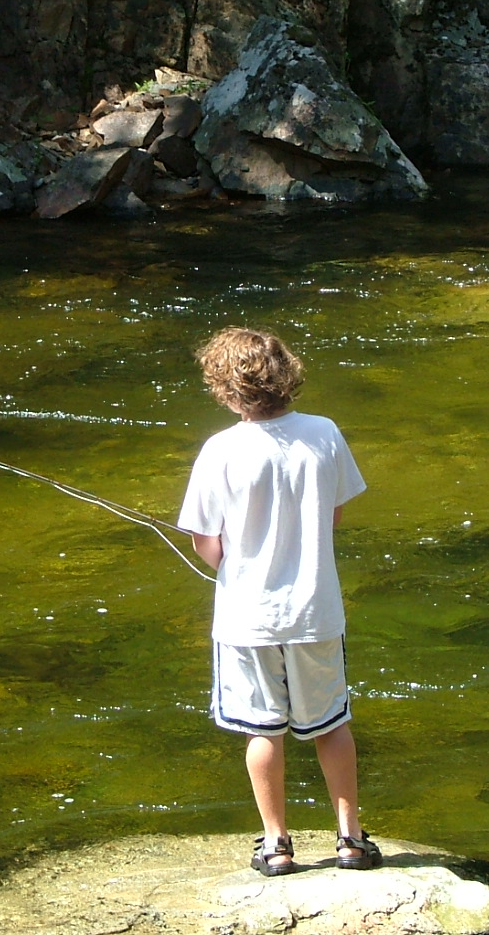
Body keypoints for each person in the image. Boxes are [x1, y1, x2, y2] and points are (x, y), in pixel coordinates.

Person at [178, 326, 381, 877]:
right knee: (331, 724)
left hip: (248, 620)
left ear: (224, 388)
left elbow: (206, 542)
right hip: (317, 611)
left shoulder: (219, 449)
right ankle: (351, 841)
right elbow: (334, 515)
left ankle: (276, 845)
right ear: (288, 375)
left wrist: (237, 571)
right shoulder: (324, 433)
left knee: (262, 729)